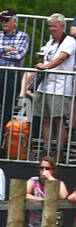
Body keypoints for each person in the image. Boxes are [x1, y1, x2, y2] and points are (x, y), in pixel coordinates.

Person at [0, 10, 30, 151]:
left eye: (6, 20)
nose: (3, 23)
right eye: (2, 20)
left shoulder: (23, 36)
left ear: (14, 21)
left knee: (7, 109)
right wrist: (6, 48)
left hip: (11, 74)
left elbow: (19, 54)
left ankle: (3, 144)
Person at [29, 14, 76, 157]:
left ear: (62, 27)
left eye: (55, 26)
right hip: (45, 85)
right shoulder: (50, 42)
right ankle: (47, 148)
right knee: (45, 118)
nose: (52, 29)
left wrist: (46, 66)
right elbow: (43, 55)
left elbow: (62, 57)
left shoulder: (69, 41)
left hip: (60, 86)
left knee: (58, 119)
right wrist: (42, 62)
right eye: (50, 26)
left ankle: (59, 151)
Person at [25, 156, 68, 227]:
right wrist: (42, 200)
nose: (43, 170)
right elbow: (24, 194)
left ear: (53, 170)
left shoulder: (58, 183)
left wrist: (50, 178)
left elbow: (64, 196)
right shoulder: (34, 180)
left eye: (47, 168)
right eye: (41, 167)